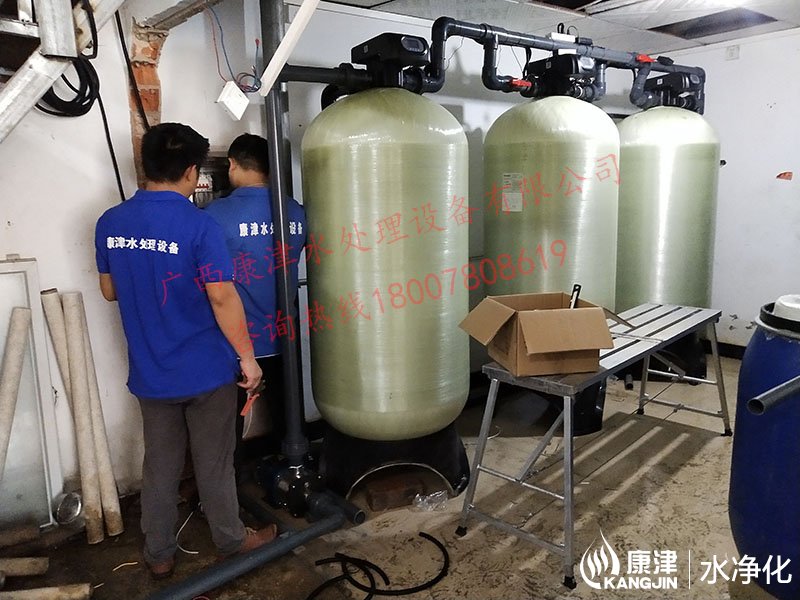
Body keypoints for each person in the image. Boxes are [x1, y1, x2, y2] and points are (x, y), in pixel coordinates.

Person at [94, 123, 276, 580]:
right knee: (213, 462)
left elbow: (110, 291)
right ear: (193, 171)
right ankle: (231, 541)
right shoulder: (200, 225)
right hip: (206, 372)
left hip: (151, 373)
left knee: (160, 465)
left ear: (146, 166)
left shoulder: (110, 222)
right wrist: (248, 359)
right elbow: (222, 297)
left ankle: (158, 553)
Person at [205, 134, 306, 459]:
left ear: (232, 165)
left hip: (237, 343)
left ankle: (231, 483)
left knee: (227, 431)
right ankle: (290, 470)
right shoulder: (295, 211)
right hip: (284, 336)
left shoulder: (215, 215)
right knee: (288, 420)